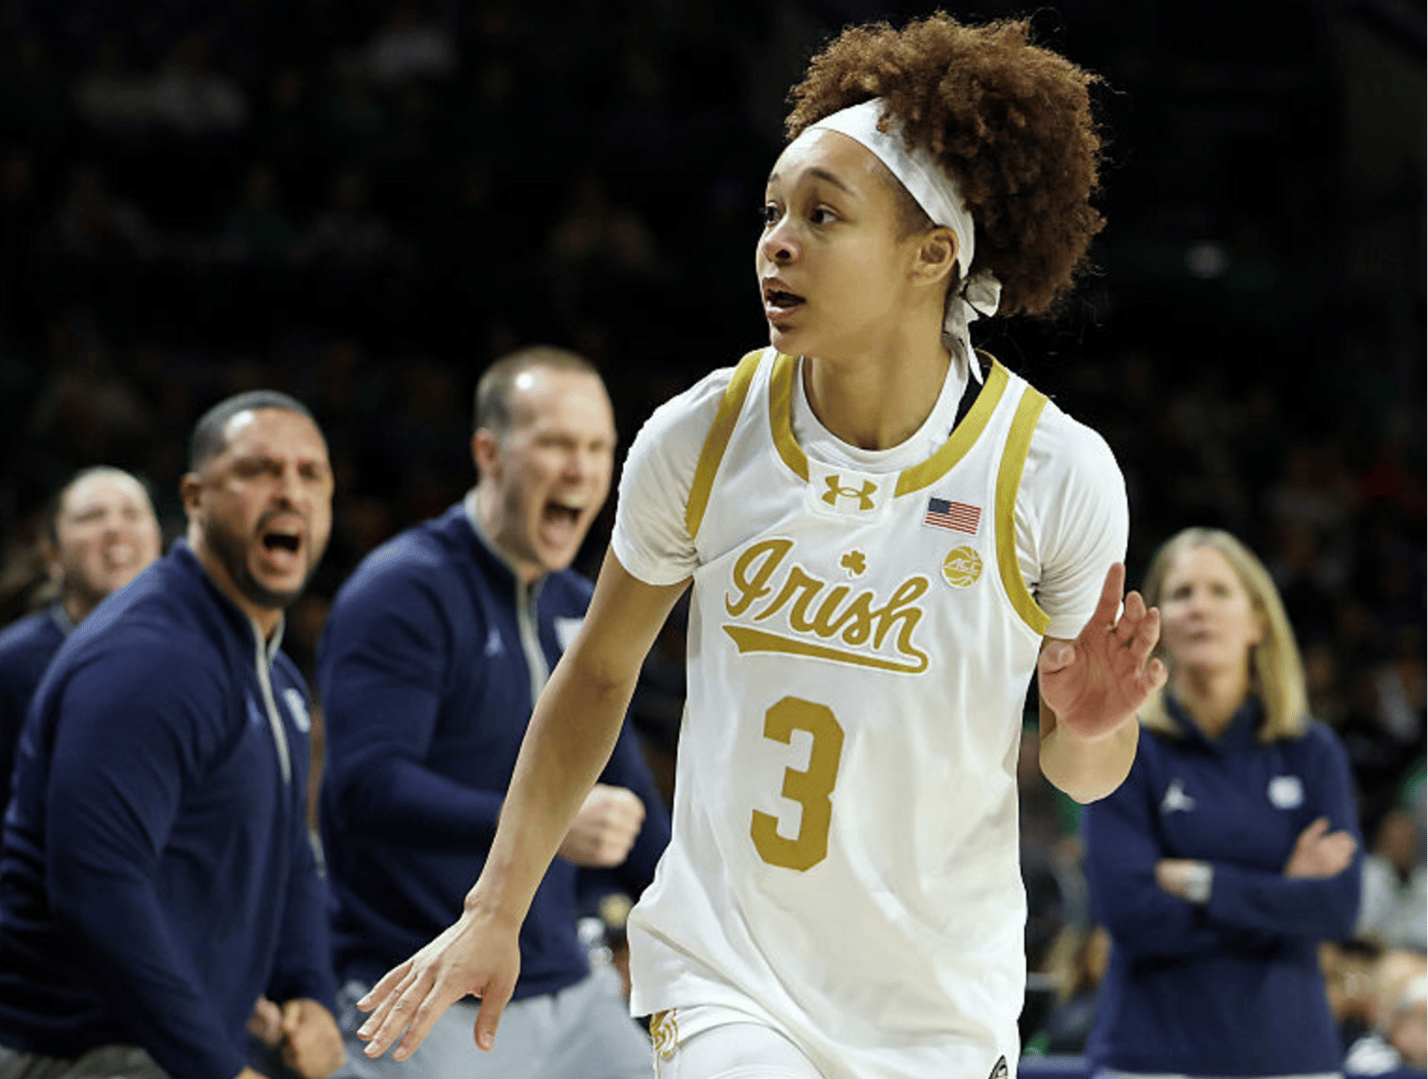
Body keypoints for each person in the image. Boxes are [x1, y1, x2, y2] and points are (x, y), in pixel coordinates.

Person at [353, 15, 1165, 1079]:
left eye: (823, 216)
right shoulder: (702, 435)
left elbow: (1081, 771)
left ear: (933, 255)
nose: (777, 241)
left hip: (939, 1003)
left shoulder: (1054, 472)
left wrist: (1094, 730)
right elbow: (598, 670)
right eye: (774, 211)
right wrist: (494, 907)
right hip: (729, 977)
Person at [0, 390, 344, 1079]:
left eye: (310, 474)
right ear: (194, 498)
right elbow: (98, 887)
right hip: (72, 1054)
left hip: (172, 1049)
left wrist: (310, 990)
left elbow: (288, 855)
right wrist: (217, 1067)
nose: (290, 492)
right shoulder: (149, 658)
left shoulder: (277, 675)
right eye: (259, 469)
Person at [316, 347, 669, 1078]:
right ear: (489, 452)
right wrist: (549, 823)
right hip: (423, 987)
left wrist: (694, 931)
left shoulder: (579, 603)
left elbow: (629, 795)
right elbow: (365, 787)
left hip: (568, 987)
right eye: (556, 444)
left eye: (599, 447)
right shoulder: (403, 592)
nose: (581, 468)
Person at [1082, 527, 1364, 1077]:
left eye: (1219, 591)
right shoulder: (1122, 743)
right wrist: (1282, 887)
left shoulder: (1311, 750)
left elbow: (1337, 907)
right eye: (1182, 594)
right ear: (1158, 624)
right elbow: (1129, 913)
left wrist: (1199, 882)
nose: (1199, 608)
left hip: (1291, 1056)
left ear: (1259, 621)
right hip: (1150, 1057)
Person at [0, 466, 162, 960]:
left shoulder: (198, 663)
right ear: (51, 556)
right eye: (92, 515)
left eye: (132, 513)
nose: (115, 528)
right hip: (58, 990)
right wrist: (3, 960)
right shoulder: (5, 670)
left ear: (159, 544)